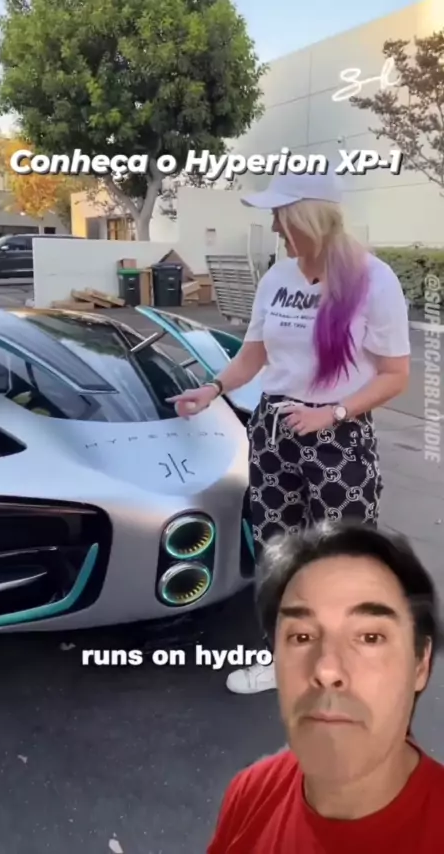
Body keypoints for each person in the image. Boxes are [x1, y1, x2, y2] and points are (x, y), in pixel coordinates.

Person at [167, 169, 410, 694]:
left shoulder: (374, 280)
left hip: (339, 438)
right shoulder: (277, 278)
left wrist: (333, 413)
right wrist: (212, 388)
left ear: (310, 218)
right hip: (274, 432)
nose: (276, 228)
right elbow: (253, 354)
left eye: (281, 216)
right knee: (278, 551)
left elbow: (395, 374)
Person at [207, 522, 444, 853]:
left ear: (420, 663)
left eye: (369, 637)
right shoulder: (249, 794)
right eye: (301, 636)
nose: (326, 669)